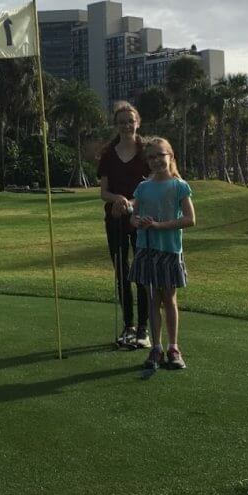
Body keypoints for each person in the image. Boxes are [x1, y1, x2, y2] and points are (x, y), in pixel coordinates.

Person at [129, 136, 196, 372]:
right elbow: (133, 217)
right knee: (152, 299)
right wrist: (139, 222)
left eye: (160, 155)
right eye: (151, 156)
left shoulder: (179, 186)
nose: (156, 160)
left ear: (171, 156)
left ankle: (173, 347)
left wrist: (159, 225)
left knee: (169, 299)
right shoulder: (143, 187)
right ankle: (155, 347)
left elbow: (189, 219)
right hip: (147, 250)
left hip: (169, 250)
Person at [97, 101, 151, 349]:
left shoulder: (147, 150)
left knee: (142, 274)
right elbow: (104, 192)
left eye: (130, 121)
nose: (127, 126)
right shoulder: (108, 153)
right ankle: (128, 325)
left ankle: (143, 328)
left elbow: (152, 187)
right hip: (116, 220)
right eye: (122, 122)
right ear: (116, 125)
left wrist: (131, 202)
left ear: (137, 122)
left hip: (141, 220)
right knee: (122, 273)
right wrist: (117, 200)